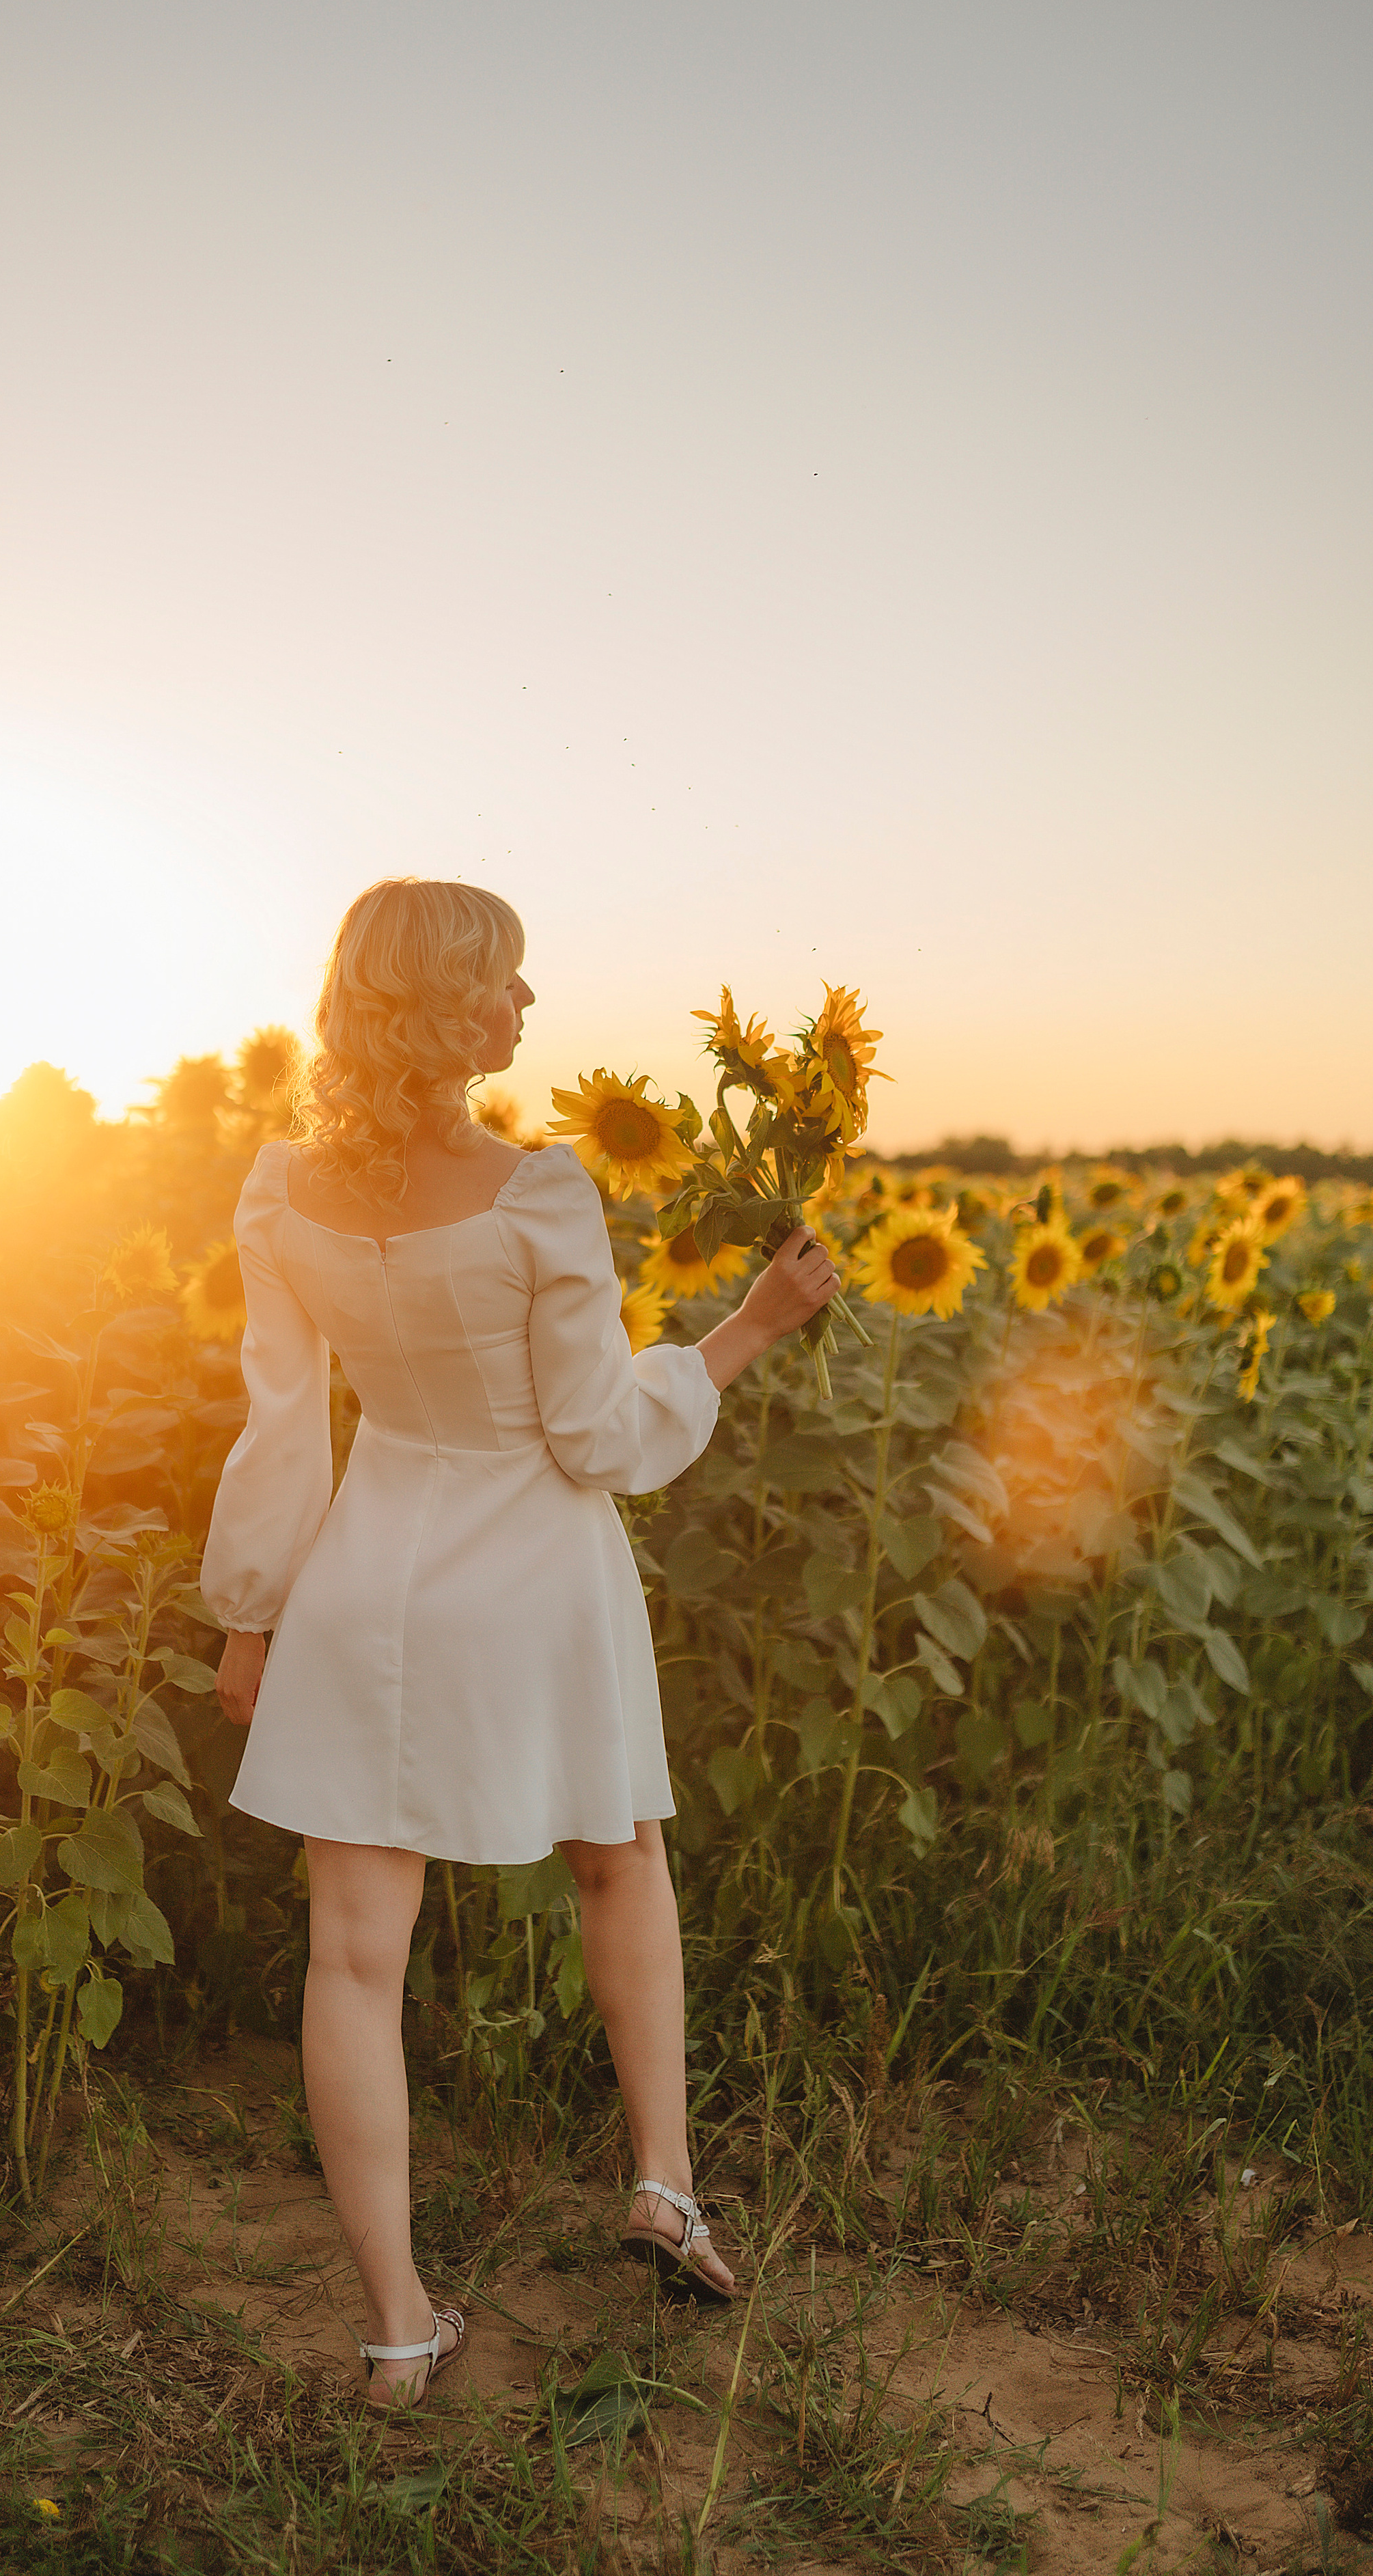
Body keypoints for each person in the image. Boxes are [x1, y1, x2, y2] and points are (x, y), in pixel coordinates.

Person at [201, 878, 839, 2407]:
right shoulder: (537, 1188)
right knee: (618, 1854)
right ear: (443, 1002)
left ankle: (395, 2329)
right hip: (535, 1572)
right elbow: (596, 1431)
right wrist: (744, 1326)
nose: (526, 1008)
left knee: (353, 1954)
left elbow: (282, 1426)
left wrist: (247, 1613)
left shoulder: (279, 1189)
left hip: (368, 1572)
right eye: (506, 983)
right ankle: (665, 2184)